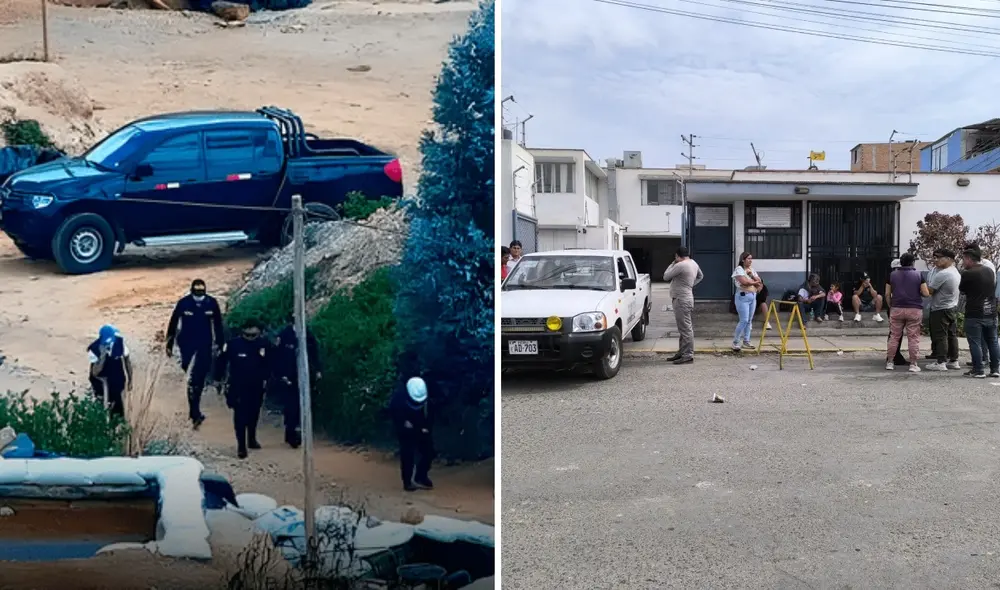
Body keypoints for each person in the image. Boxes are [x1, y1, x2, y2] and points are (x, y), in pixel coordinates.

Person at [165, 279, 225, 429]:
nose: (199, 294)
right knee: (191, 378)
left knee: (200, 377)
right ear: (191, 291)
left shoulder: (211, 303)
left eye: (201, 291)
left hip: (204, 345)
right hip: (187, 345)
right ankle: (195, 411)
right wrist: (169, 344)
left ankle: (194, 409)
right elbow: (173, 323)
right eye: (196, 291)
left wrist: (220, 343)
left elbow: (218, 324)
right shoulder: (184, 303)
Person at [218, 318, 271, 458]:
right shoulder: (233, 345)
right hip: (237, 386)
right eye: (248, 335)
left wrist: (269, 380)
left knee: (254, 413)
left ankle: (251, 439)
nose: (251, 338)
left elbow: (271, 363)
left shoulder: (264, 344)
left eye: (254, 335)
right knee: (240, 416)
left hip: (257, 385)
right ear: (242, 332)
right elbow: (221, 362)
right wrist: (219, 380)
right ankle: (241, 446)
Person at [273, 318, 322, 449]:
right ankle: (291, 433)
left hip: (304, 376)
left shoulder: (307, 334)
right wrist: (281, 374)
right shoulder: (284, 334)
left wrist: (317, 370)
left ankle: (299, 431)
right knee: (291, 406)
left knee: (303, 405)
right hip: (288, 376)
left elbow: (314, 352)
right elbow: (278, 356)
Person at [960, 247, 1000, 378]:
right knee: (993, 341)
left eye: (964, 259)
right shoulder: (990, 270)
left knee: (975, 342)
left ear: (969, 259)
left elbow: (962, 289)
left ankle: (979, 369)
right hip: (991, 312)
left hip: (974, 312)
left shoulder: (968, 273)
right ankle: (995, 369)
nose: (963, 262)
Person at [885, 253, 929, 372]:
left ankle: (890, 362)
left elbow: (887, 294)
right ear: (913, 263)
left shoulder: (892, 275)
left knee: (894, 336)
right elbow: (926, 293)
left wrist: (891, 306)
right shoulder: (919, 275)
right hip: (914, 309)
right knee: (913, 337)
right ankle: (913, 364)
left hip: (897, 308)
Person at [390, 376, 434, 492]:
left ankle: (421, 476)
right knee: (407, 453)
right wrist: (403, 422)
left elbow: (430, 413)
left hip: (420, 426)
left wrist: (425, 426)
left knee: (429, 451)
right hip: (404, 428)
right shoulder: (398, 398)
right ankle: (407, 482)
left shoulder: (427, 397)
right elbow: (393, 412)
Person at [662, 246, 703, 365]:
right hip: (687, 297)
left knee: (685, 329)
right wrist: (689, 285)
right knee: (683, 328)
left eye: (675, 257)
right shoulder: (693, 263)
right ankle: (682, 352)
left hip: (681, 299)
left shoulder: (680, 265)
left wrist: (672, 263)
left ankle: (688, 355)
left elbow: (666, 276)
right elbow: (701, 276)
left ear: (678, 256)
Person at [925, 248, 961, 371]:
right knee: (952, 335)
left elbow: (929, 291)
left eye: (939, 258)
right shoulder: (955, 271)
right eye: (935, 257)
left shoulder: (943, 274)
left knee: (941, 335)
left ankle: (941, 362)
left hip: (940, 308)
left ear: (949, 259)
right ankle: (954, 360)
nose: (936, 260)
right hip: (951, 307)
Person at [87, 325, 133, 419]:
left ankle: (116, 421)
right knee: (101, 401)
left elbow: (127, 362)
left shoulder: (120, 345)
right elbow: (95, 373)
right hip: (99, 377)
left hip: (116, 376)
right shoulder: (94, 349)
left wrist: (130, 380)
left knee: (116, 401)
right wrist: (102, 357)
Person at [731, 252, 762, 351]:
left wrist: (753, 278)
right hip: (742, 297)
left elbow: (759, 282)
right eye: (748, 258)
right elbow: (744, 282)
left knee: (749, 320)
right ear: (743, 260)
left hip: (752, 296)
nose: (750, 260)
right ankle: (735, 342)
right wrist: (754, 283)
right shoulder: (739, 269)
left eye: (751, 258)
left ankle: (746, 341)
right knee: (743, 320)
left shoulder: (751, 270)